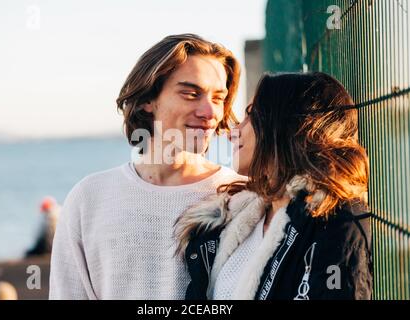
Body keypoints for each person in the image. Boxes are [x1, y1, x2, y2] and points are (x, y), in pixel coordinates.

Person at [49, 34, 245, 299]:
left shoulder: (240, 195)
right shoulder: (89, 198)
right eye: (190, 94)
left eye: (218, 98)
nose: (210, 113)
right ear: (147, 100)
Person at [175, 72, 373, 300]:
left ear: (286, 124)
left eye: (251, 115)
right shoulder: (234, 218)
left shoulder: (338, 222)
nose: (233, 131)